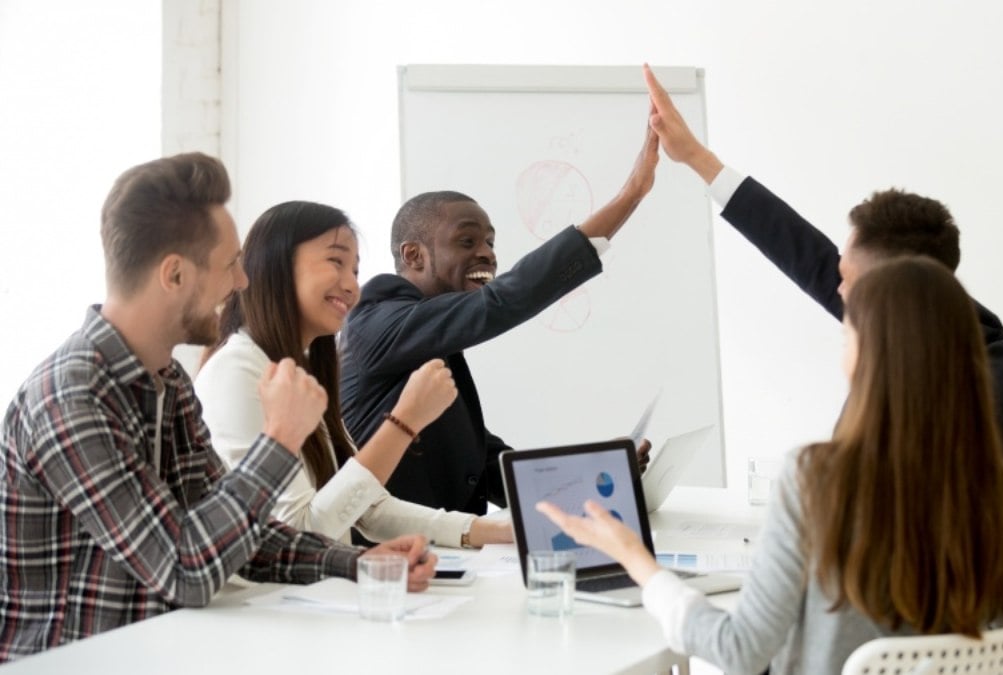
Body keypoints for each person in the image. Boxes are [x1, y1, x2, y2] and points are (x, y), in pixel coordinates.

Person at [641, 64, 1003, 675]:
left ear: (889, 297)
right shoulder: (950, 347)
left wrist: (638, 562)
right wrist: (697, 158)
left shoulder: (967, 394)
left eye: (849, 286)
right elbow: (810, 257)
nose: (837, 289)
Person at [539, 256, 1003, 674]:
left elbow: (740, 652)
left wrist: (636, 559)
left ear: (872, 356)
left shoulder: (816, 479)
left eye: (847, 335)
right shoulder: (1001, 484)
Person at [0, 154, 435, 662]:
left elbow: (235, 534)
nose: (242, 283)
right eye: (230, 263)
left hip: (161, 653)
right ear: (175, 275)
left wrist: (357, 563)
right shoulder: (72, 395)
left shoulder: (170, 385)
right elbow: (187, 569)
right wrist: (278, 442)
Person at [339, 117, 659, 527]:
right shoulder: (376, 316)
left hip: (449, 560)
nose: (487, 254)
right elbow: (503, 301)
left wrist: (596, 470)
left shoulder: (433, 343)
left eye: (490, 242)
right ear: (414, 255)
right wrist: (630, 195)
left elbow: (488, 469)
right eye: (467, 241)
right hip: (388, 565)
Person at [195, 200, 512, 548]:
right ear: (276, 265)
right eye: (336, 262)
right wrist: (405, 421)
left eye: (356, 271)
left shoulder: (303, 373)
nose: (351, 286)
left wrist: (491, 532)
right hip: (269, 599)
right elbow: (300, 534)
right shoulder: (236, 372)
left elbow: (367, 509)